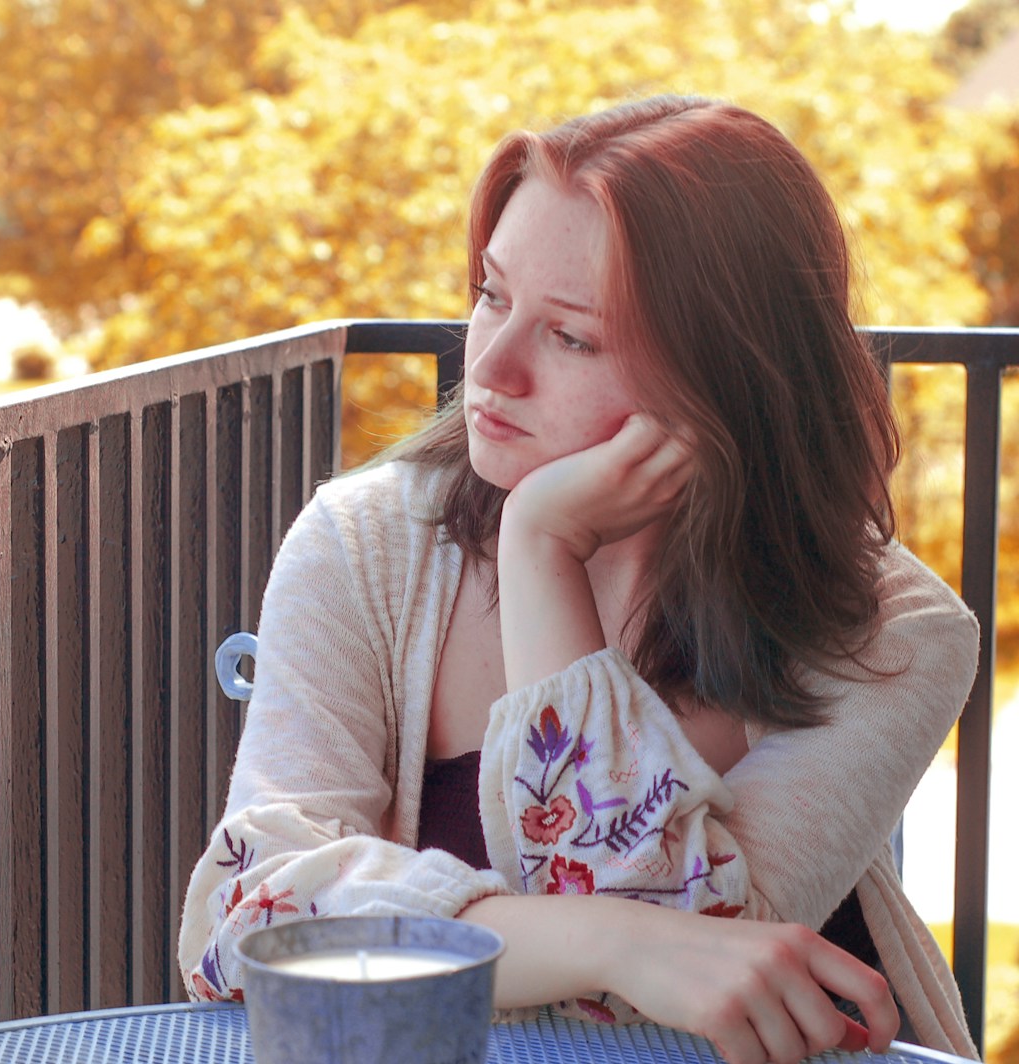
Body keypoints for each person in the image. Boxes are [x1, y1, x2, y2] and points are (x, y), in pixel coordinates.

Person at [177, 94, 980, 1064]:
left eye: (573, 337)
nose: (492, 369)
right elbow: (243, 911)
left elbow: (660, 1011)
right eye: (490, 294)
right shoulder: (365, 542)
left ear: (725, 374)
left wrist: (541, 549)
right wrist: (614, 940)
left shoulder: (893, 628)